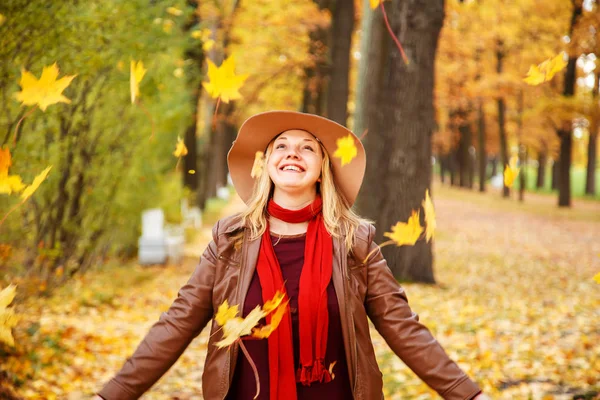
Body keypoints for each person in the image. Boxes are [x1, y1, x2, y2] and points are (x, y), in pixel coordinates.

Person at [95, 111, 489, 400]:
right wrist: (112, 394)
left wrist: (467, 394)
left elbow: (405, 328)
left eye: (306, 148)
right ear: (265, 166)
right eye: (280, 147)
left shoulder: (355, 242)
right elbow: (177, 323)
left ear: (321, 169)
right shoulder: (230, 241)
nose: (291, 153)